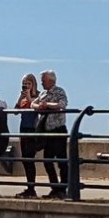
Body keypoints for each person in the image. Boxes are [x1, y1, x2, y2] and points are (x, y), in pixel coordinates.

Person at [32, 70, 68, 199]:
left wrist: (47, 105)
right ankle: (54, 187)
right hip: (47, 131)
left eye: (43, 80)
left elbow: (62, 105)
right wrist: (39, 106)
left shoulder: (59, 91)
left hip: (58, 129)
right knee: (47, 160)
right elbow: (33, 103)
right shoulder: (43, 93)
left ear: (51, 80)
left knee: (62, 161)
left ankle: (63, 189)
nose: (41, 83)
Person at [14, 73, 41, 198]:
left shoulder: (38, 95)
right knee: (25, 158)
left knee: (30, 158)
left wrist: (30, 97)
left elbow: (37, 108)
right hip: (23, 128)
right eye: (24, 84)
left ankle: (32, 188)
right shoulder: (23, 97)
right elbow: (15, 111)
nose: (26, 86)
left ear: (33, 84)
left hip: (33, 129)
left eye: (28, 84)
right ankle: (29, 187)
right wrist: (20, 98)